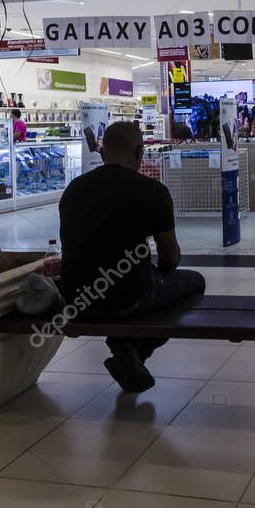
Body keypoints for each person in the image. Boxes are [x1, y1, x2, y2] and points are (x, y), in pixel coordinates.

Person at [58, 121, 205, 392]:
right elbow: (170, 258)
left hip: (76, 297)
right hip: (130, 297)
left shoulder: (73, 190)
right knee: (195, 282)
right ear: (140, 152)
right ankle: (132, 349)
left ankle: (127, 349)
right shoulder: (153, 191)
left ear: (102, 153)